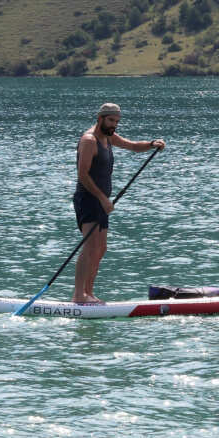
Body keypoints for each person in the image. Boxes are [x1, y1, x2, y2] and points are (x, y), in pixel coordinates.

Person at [71, 102, 164, 304]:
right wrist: (103, 199)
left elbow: (131, 145)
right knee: (89, 246)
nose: (114, 124)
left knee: (100, 248)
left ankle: (89, 293)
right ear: (100, 118)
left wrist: (151, 144)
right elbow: (83, 175)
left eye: (117, 121)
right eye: (111, 120)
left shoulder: (109, 137)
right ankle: (79, 295)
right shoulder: (89, 140)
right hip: (88, 199)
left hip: (101, 202)